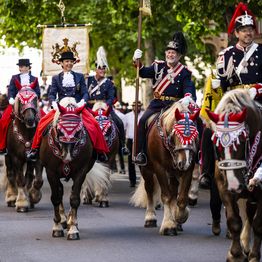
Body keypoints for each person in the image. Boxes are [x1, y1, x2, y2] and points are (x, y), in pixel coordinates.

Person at [203, 2, 262, 236]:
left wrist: (257, 89)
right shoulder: (225, 55)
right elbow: (219, 82)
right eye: (243, 30)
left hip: (257, 101)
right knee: (209, 131)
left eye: (251, 29)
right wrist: (216, 83)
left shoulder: (261, 53)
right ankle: (209, 171)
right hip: (232, 101)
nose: (248, 33)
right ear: (235, 33)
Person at [26, 51, 109, 162]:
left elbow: (85, 92)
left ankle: (100, 152)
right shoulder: (56, 78)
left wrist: (83, 102)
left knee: (94, 124)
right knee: (42, 123)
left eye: (71, 61)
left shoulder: (79, 76)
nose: (69, 63)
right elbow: (52, 93)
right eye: (66, 61)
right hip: (61, 107)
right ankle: (35, 149)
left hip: (77, 107)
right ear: (62, 63)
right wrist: (54, 103)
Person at [133, 31, 196, 166]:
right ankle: (140, 153)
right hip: (157, 103)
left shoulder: (184, 72)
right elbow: (143, 72)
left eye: (173, 53)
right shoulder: (158, 66)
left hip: (174, 106)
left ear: (179, 55)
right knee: (142, 121)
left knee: (195, 124)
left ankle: (196, 155)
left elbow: (188, 87)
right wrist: (137, 61)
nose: (170, 55)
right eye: (168, 52)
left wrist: (188, 97)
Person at [86, 46, 129, 156]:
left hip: (105, 107)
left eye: (104, 68)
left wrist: (106, 106)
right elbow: (85, 94)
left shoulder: (109, 82)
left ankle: (123, 146)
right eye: (100, 68)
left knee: (119, 122)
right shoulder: (88, 80)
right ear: (95, 69)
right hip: (91, 108)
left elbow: (111, 97)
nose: (102, 70)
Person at [0, 58, 40, 155]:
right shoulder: (14, 78)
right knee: (3, 121)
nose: (22, 68)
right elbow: (11, 90)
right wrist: (11, 98)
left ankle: (40, 145)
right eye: (21, 66)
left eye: (24, 66)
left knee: (44, 119)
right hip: (17, 103)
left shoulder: (34, 79)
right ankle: (2, 146)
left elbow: (38, 92)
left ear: (28, 67)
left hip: (31, 104)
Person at [123, 101, 144, 187]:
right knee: (130, 161)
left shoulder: (143, 115)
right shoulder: (127, 116)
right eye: (134, 106)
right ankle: (132, 180)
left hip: (140, 140)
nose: (136, 108)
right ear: (132, 107)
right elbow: (124, 128)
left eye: (138, 106)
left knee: (141, 159)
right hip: (130, 140)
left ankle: (143, 179)